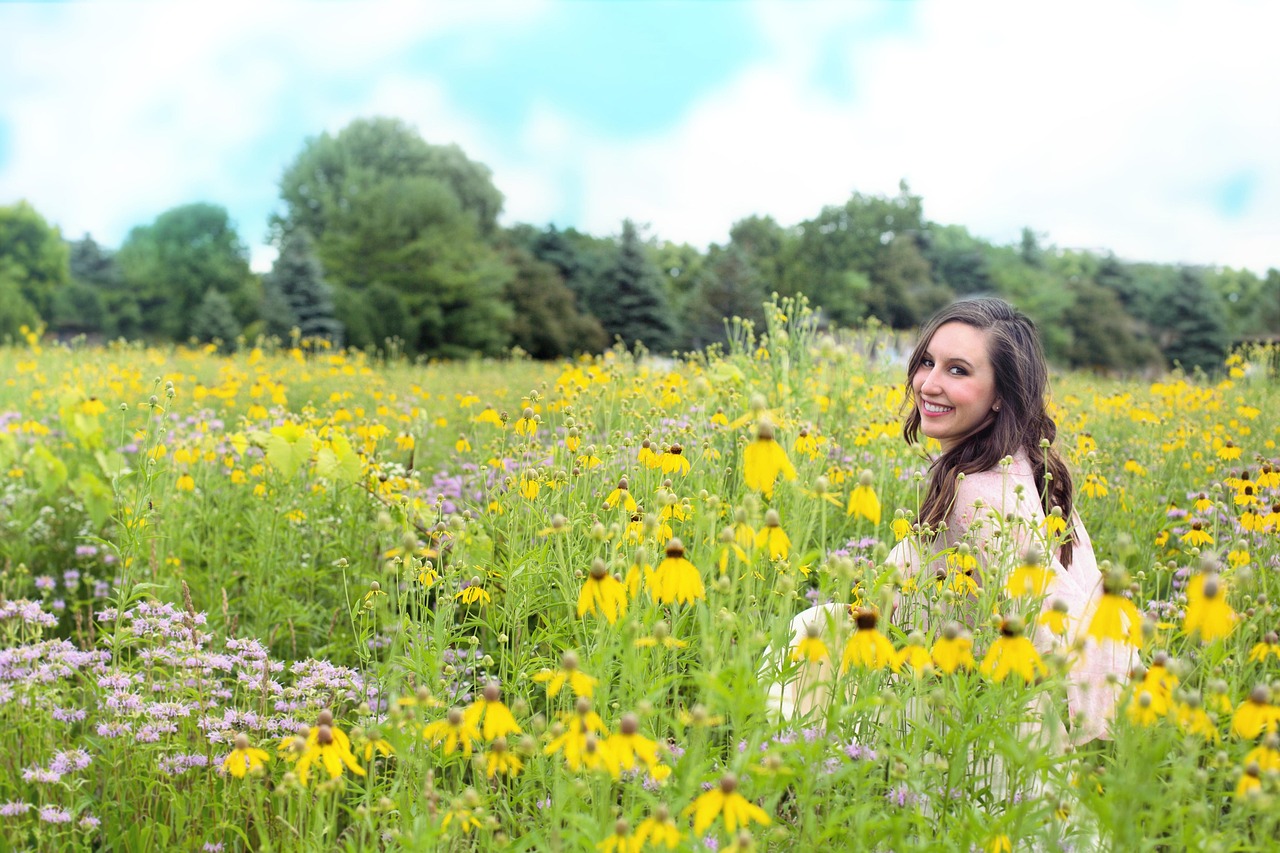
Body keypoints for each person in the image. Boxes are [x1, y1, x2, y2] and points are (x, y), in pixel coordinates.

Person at [767, 297, 1131, 746]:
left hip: (956, 726)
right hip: (973, 710)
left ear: (1001, 395)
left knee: (812, 637)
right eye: (927, 362)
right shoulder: (1025, 467)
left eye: (958, 370)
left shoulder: (977, 494)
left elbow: (1049, 621)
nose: (929, 384)